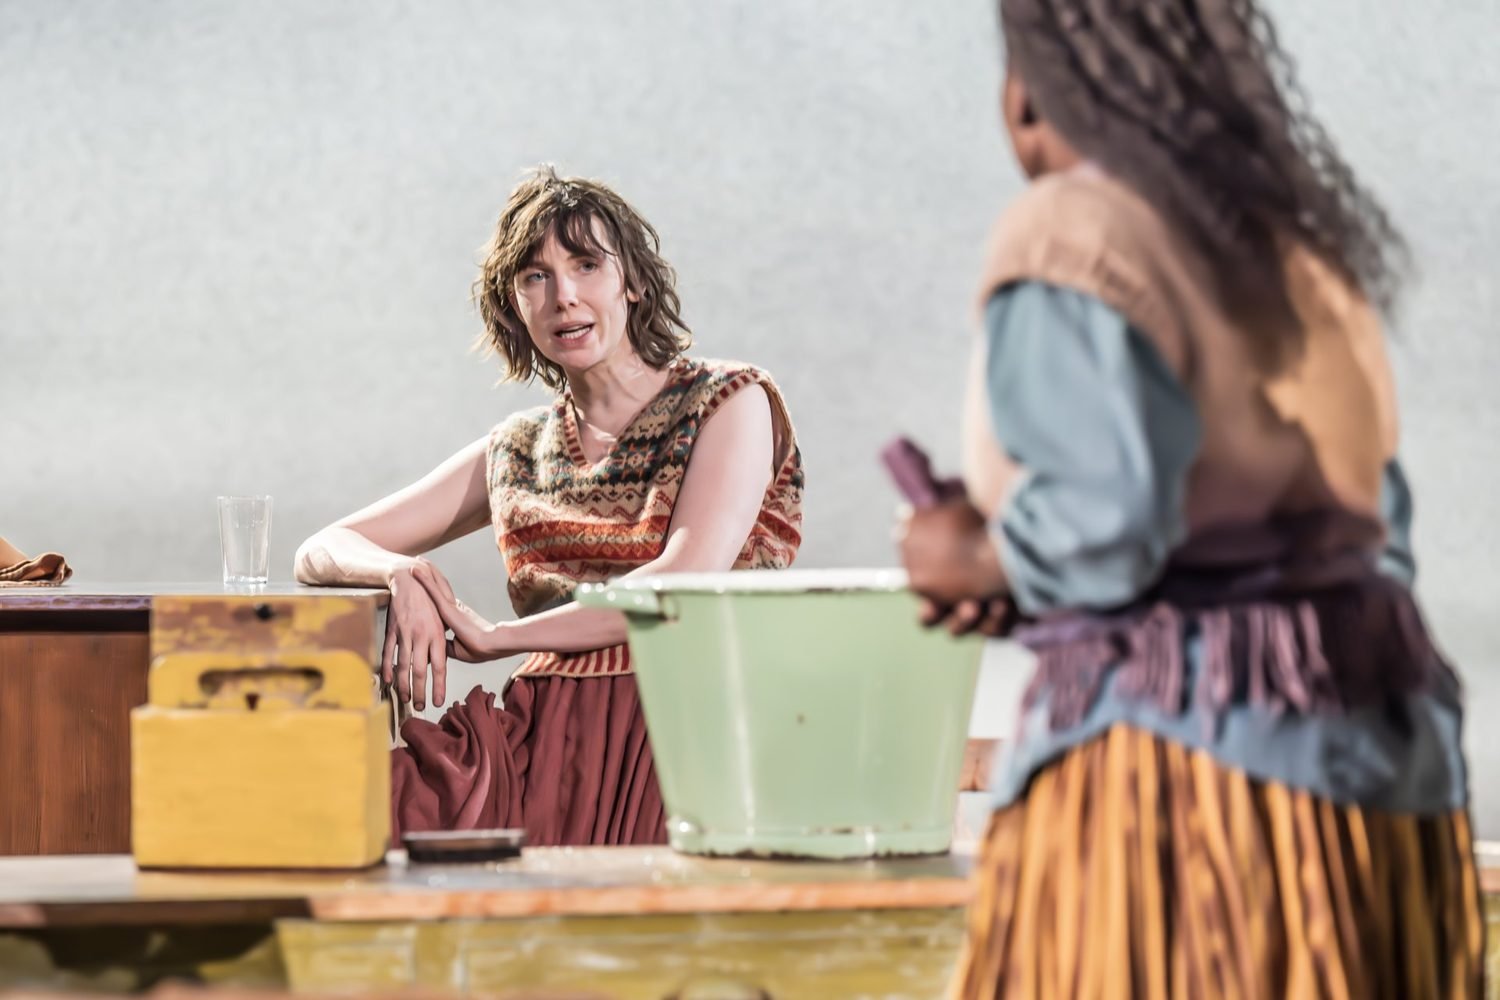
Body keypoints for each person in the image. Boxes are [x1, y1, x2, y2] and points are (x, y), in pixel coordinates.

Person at [898, 0, 1483, 994]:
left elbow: (1106, 519)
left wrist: (981, 557)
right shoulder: (1300, 247)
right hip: (1376, 757)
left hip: (1179, 780)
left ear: (1030, 93)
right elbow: (1372, 522)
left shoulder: (1073, 231)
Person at [296, 165, 804, 846]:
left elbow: (682, 584)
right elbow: (322, 547)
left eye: (587, 264)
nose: (564, 296)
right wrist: (401, 573)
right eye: (535, 276)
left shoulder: (728, 399)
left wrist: (500, 637)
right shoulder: (517, 450)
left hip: (698, 728)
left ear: (635, 282)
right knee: (330, 816)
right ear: (513, 305)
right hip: (541, 744)